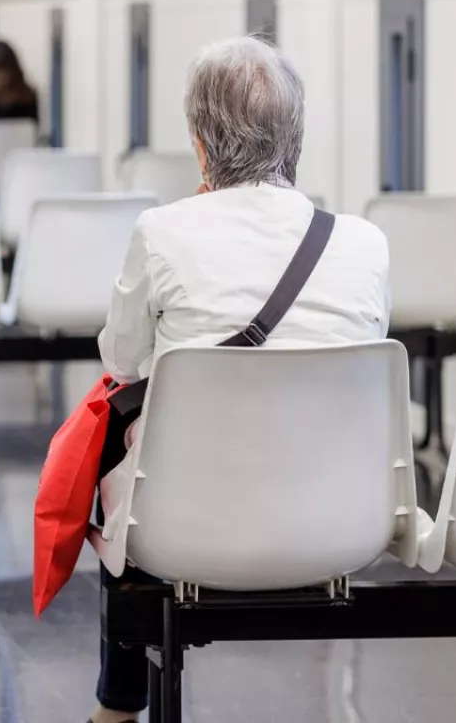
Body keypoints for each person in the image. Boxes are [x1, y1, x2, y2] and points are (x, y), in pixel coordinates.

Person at [87, 36, 391, 723]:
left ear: (199, 143)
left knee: (119, 445)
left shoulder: (162, 232)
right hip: (339, 518)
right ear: (298, 137)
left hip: (189, 525)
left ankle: (118, 704)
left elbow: (122, 361)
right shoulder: (365, 243)